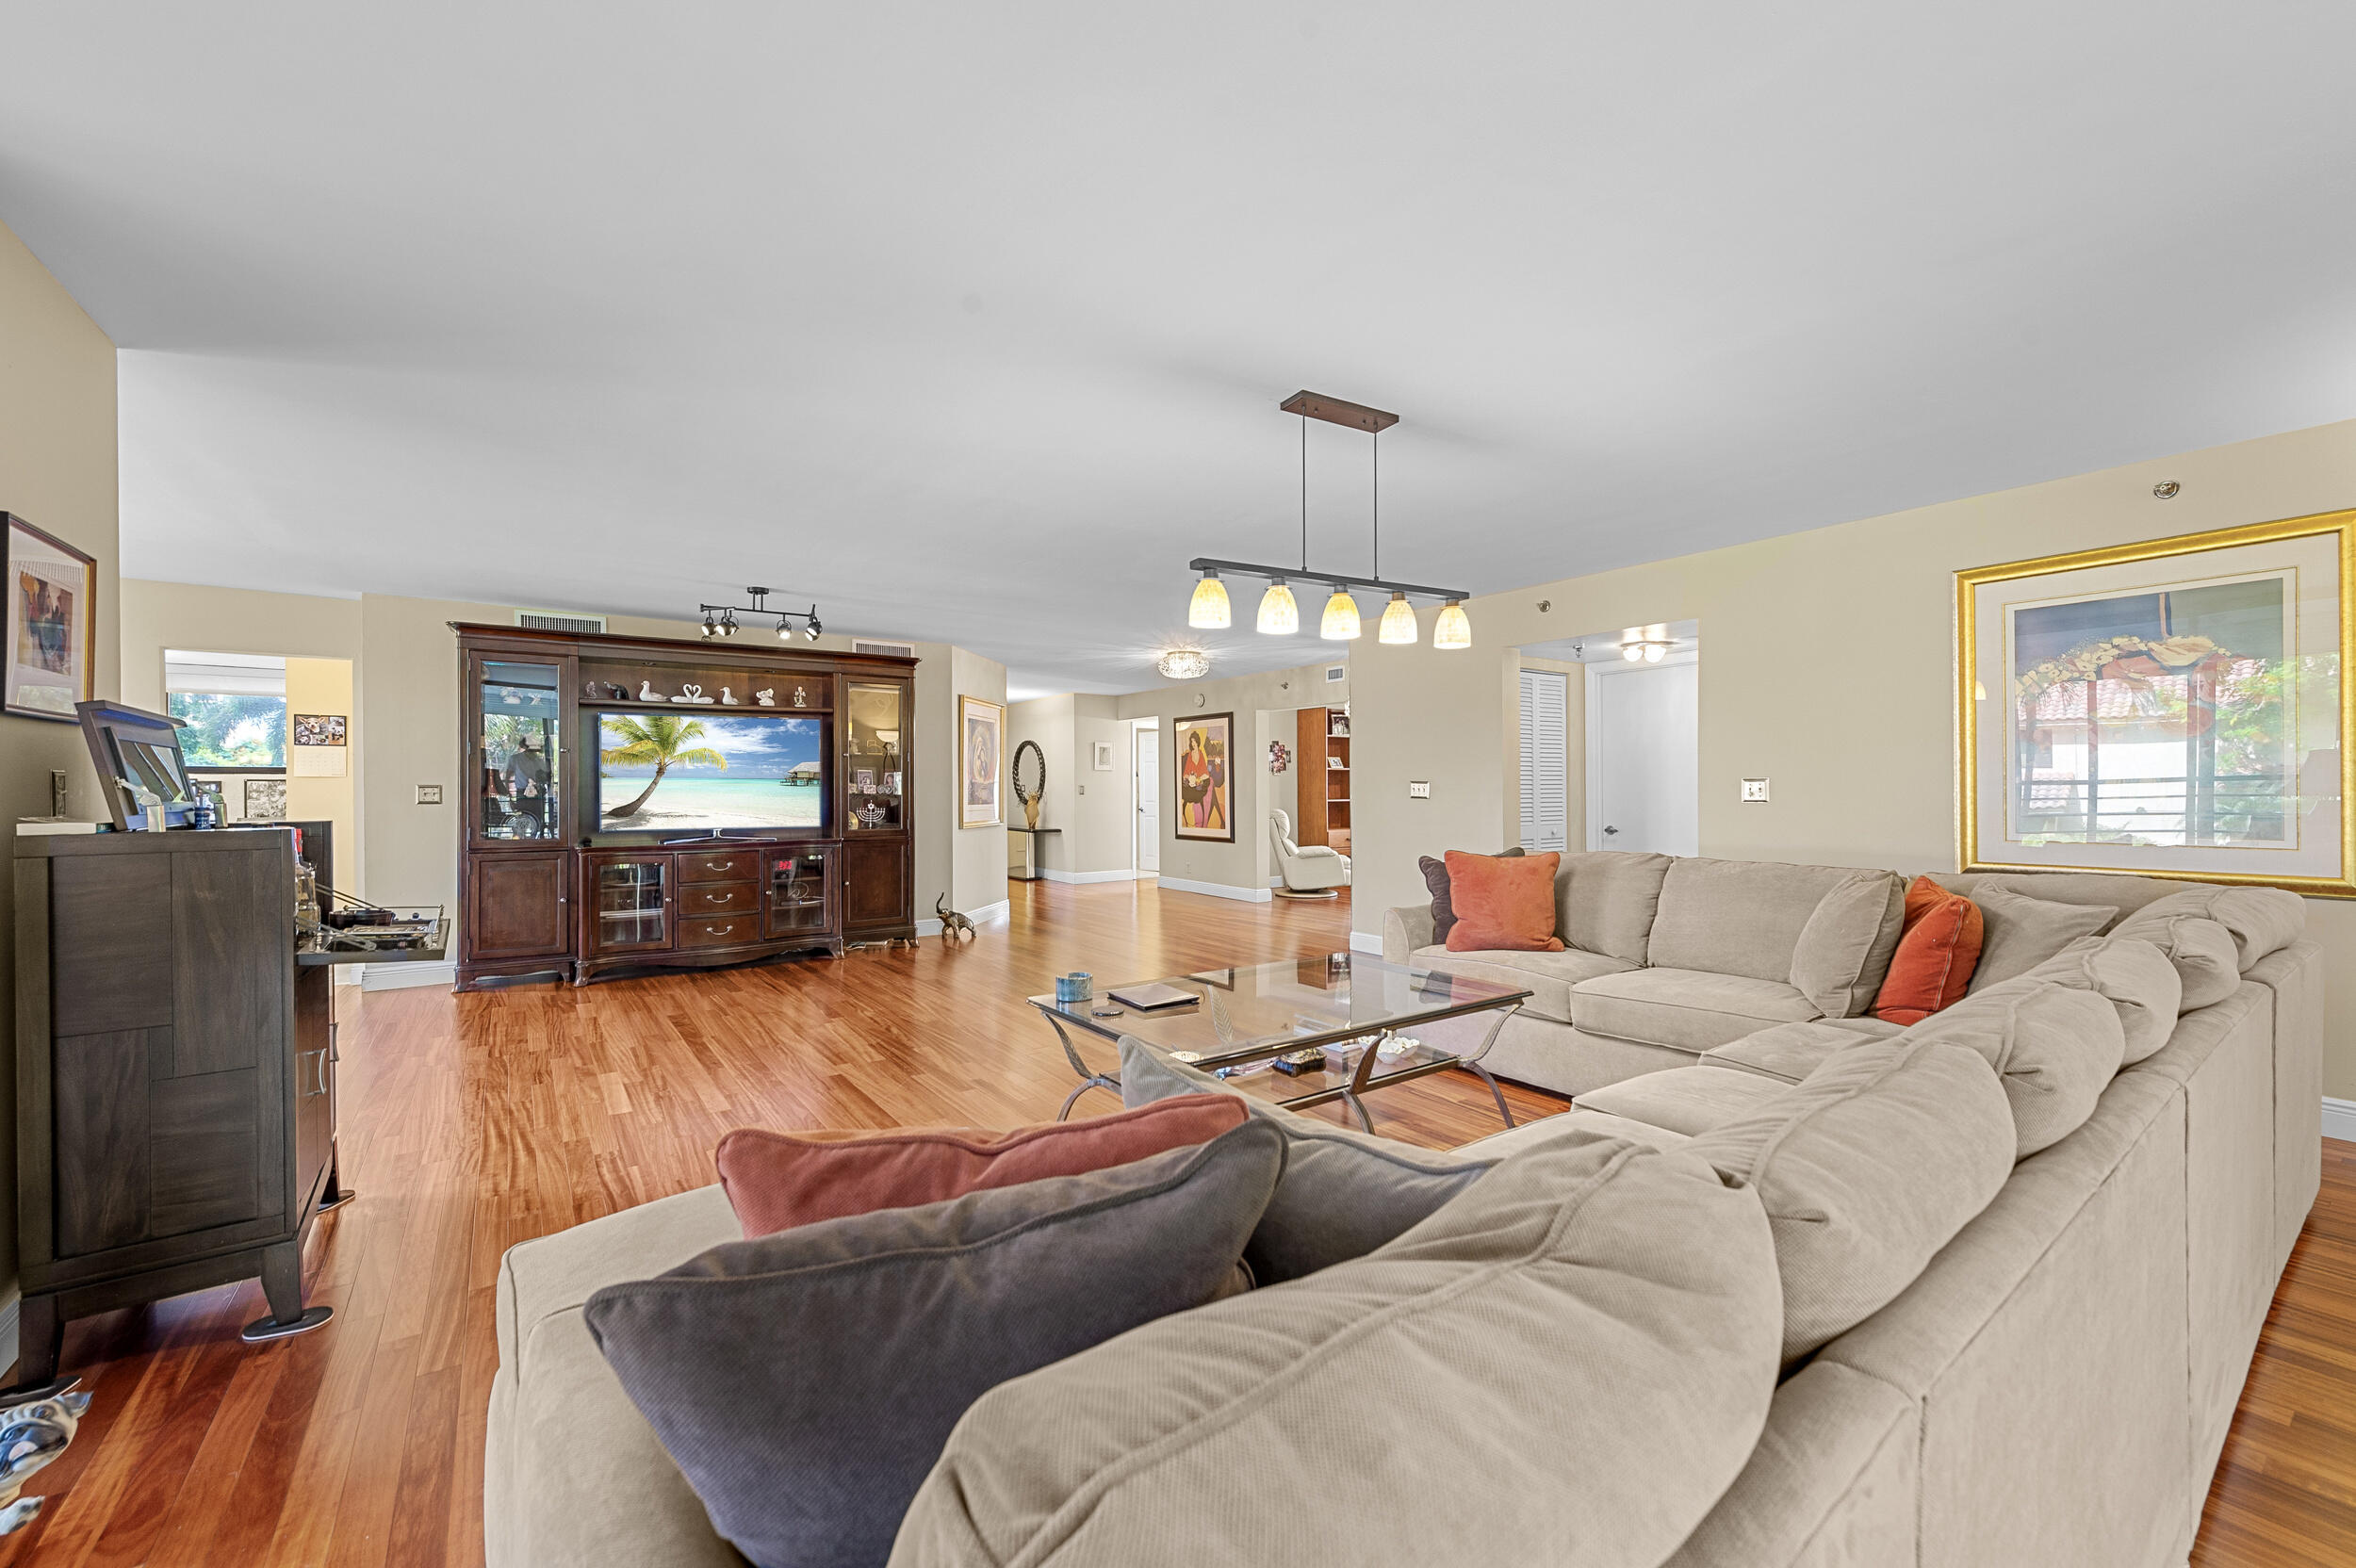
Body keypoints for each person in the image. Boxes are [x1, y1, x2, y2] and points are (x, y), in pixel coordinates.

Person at [507, 730, 551, 837]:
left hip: (538, 795)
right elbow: (507, 778)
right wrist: (510, 797)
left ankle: (538, 841)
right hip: (522, 795)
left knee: (539, 823)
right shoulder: (515, 759)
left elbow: (547, 779)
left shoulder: (541, 761)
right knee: (521, 823)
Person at [1180, 730, 1211, 828]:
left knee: (1204, 783)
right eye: (1191, 741)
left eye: (1194, 741)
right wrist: (1190, 777)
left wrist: (1199, 778)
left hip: (1199, 781)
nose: (1193, 744)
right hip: (1191, 782)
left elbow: (1205, 772)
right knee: (1188, 791)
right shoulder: (1190, 754)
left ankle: (1196, 822)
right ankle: (1189, 821)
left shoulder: (1201, 754)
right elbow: (1186, 772)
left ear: (1197, 742)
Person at [1203, 735, 1227, 831]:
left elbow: (1218, 774)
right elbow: (1209, 773)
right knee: (1214, 801)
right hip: (1213, 781)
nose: (1210, 757)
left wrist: (1218, 767)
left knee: (1213, 798)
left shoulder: (1217, 762)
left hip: (1218, 780)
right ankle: (1221, 821)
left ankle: (1208, 822)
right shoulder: (1210, 762)